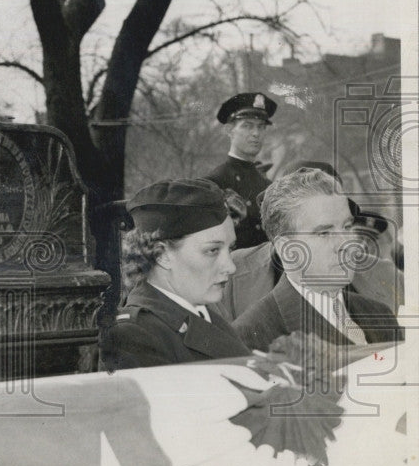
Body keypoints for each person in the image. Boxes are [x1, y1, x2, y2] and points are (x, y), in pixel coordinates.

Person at [232, 168, 402, 352]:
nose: (346, 244)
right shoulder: (250, 335)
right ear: (287, 250)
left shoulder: (380, 313)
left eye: (347, 226)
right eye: (324, 233)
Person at [100, 179, 250, 370]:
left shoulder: (206, 315)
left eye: (230, 249)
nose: (231, 267)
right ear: (162, 255)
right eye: (212, 251)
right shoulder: (132, 335)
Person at [203, 92, 277, 249]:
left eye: (261, 127)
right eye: (247, 126)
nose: (256, 133)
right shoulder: (215, 182)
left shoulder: (269, 186)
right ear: (229, 130)